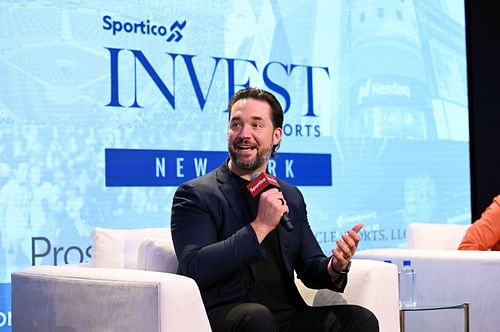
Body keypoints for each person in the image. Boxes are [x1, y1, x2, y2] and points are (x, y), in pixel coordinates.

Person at [171, 87, 378, 332]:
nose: (244, 134)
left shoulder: (289, 195)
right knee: (257, 317)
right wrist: (260, 226)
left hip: (287, 316)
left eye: (256, 125)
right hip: (229, 316)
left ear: (276, 135)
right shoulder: (196, 194)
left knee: (360, 319)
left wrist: (336, 265)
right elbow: (196, 267)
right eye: (236, 124)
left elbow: (310, 267)